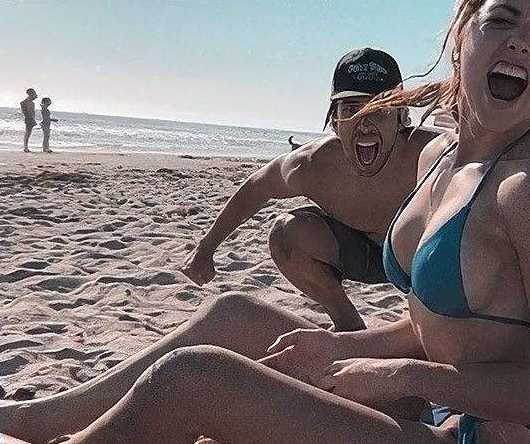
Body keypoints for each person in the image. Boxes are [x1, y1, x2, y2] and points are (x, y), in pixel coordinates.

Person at [0, 0, 530, 444]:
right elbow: (445, 329)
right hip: (439, 409)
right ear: (462, 35)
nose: (522, 42)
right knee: (232, 315)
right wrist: (344, 347)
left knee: (194, 379)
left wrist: (400, 375)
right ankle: (36, 418)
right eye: (502, 20)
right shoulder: (439, 157)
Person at [181, 48, 442, 331]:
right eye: (351, 110)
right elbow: (257, 186)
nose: (365, 124)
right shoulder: (311, 165)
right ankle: (348, 324)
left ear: (402, 116)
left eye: (379, 110)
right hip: (361, 255)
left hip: (424, 259)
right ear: (335, 121)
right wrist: (206, 247)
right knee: (286, 233)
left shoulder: (437, 154)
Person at [20, 88, 37, 153]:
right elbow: (25, 112)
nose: (35, 95)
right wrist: (29, 118)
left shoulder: (32, 103)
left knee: (28, 133)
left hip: (31, 118)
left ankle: (26, 147)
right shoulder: (25, 102)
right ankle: (25, 147)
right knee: (27, 133)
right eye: (34, 93)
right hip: (28, 119)